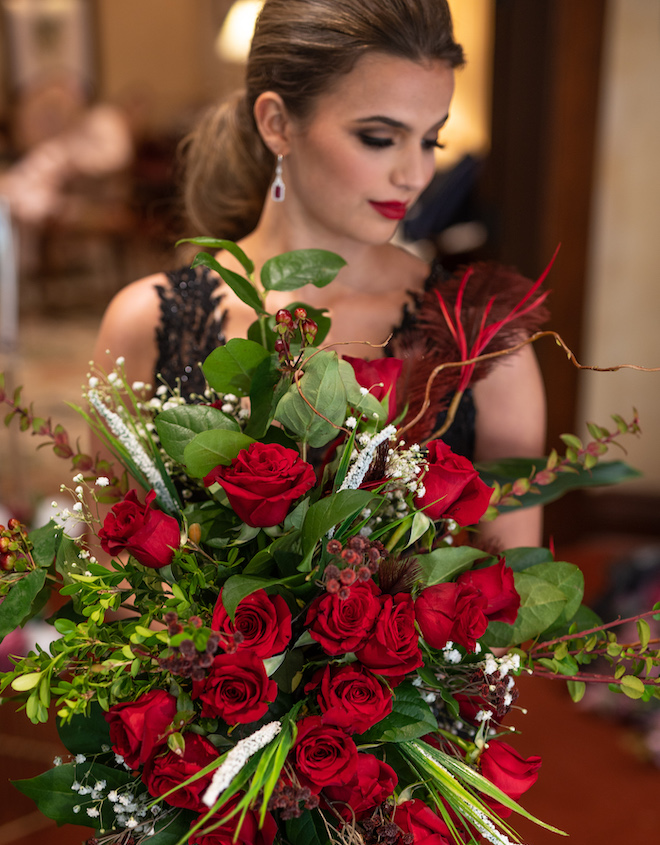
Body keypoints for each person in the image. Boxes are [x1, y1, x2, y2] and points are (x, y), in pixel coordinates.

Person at [92, 0, 546, 550]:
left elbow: (513, 601)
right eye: (380, 138)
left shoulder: (484, 334)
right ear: (278, 123)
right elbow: (107, 572)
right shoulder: (147, 320)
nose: (416, 174)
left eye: (432, 140)